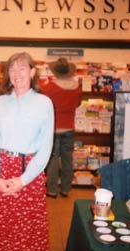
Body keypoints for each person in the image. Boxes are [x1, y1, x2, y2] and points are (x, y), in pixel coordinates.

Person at [0, 52, 54, 251]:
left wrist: (23, 180)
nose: (17, 73)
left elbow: (45, 148)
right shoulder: (0, 103)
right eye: (12, 69)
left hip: (29, 172)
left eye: (22, 68)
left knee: (27, 233)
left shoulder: (44, 103)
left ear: (32, 72)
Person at [40, 57, 82, 198]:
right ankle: (65, 189)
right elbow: (77, 104)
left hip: (54, 128)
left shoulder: (50, 87)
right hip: (69, 127)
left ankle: (52, 190)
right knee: (67, 160)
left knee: (52, 160)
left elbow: (44, 104)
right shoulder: (77, 86)